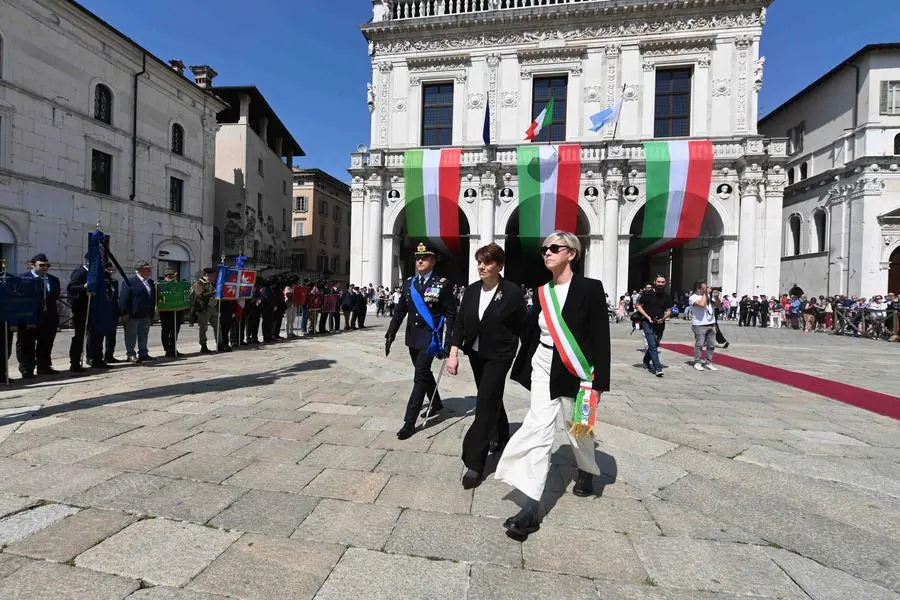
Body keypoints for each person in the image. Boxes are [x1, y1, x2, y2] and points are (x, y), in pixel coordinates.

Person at [496, 231, 610, 540]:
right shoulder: (542, 291)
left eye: (555, 248)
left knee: (578, 428)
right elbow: (531, 329)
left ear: (571, 253)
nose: (547, 252)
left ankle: (586, 469)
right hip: (543, 366)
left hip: (576, 370)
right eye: (545, 248)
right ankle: (531, 506)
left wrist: (599, 382)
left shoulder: (590, 288)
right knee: (538, 429)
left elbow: (601, 336)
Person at [446, 243, 525, 489]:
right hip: (477, 353)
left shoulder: (512, 293)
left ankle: (474, 461)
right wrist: (453, 352)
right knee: (490, 397)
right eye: (479, 261)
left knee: (485, 402)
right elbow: (459, 322)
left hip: (500, 355)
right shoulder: (470, 291)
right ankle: (501, 433)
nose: (481, 266)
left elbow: (524, 325)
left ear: (499, 265)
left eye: (487, 262)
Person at [385, 242, 457, 440]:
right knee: (423, 373)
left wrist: (449, 342)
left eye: (424, 258)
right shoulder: (409, 283)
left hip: (430, 339)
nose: (420, 260)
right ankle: (436, 403)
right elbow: (400, 311)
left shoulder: (442, 284)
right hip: (412, 338)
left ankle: (409, 422)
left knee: (419, 378)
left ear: (433, 261)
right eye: (417, 257)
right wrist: (391, 332)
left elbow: (451, 314)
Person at [17, 254, 61, 378]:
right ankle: (27, 369)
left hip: (49, 317)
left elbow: (55, 297)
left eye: (47, 265)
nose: (45, 268)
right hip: (30, 317)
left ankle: (44, 366)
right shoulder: (23, 278)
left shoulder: (53, 280)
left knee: (46, 343)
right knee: (26, 343)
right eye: (41, 265)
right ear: (32, 265)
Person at [634, 274, 671, 377]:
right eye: (658, 282)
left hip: (660, 323)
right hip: (647, 322)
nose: (660, 284)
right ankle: (658, 368)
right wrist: (647, 316)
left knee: (656, 344)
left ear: (665, 283)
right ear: (655, 282)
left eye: (662, 282)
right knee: (652, 345)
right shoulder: (647, 294)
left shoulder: (667, 296)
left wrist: (663, 318)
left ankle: (646, 360)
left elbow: (668, 311)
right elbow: (638, 307)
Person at [119, 260, 156, 363]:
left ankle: (143, 353)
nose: (150, 271)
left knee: (143, 334)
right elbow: (124, 298)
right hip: (133, 314)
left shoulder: (150, 282)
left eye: (150, 269)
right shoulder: (130, 281)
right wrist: (124, 312)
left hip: (146, 313)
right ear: (140, 270)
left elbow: (152, 298)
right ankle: (130, 354)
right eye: (147, 269)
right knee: (131, 335)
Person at [67, 254, 92, 372]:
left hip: (93, 309)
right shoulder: (80, 272)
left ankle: (93, 358)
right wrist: (84, 286)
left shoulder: (96, 274)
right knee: (79, 337)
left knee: (94, 335)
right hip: (81, 309)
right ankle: (75, 362)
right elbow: (72, 288)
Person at [689, 280, 719, 371]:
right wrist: (706, 294)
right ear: (698, 288)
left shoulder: (708, 296)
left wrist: (717, 297)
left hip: (711, 323)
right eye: (705, 287)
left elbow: (718, 305)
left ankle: (708, 362)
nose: (707, 289)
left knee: (711, 344)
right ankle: (697, 362)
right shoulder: (693, 297)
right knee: (700, 344)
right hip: (699, 325)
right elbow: (701, 304)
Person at [192, 268, 218, 353]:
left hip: (213, 307)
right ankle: (203, 345)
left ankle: (220, 343)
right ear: (207, 275)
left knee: (218, 327)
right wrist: (213, 292)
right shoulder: (199, 283)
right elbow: (200, 295)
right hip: (203, 309)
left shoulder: (213, 284)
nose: (214, 277)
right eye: (213, 276)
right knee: (203, 328)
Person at [159, 270, 183, 358]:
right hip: (166, 311)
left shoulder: (178, 284)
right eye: (171, 276)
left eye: (173, 276)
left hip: (177, 310)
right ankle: (167, 349)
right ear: (167, 276)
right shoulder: (161, 284)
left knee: (175, 331)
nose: (173, 278)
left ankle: (173, 348)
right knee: (166, 330)